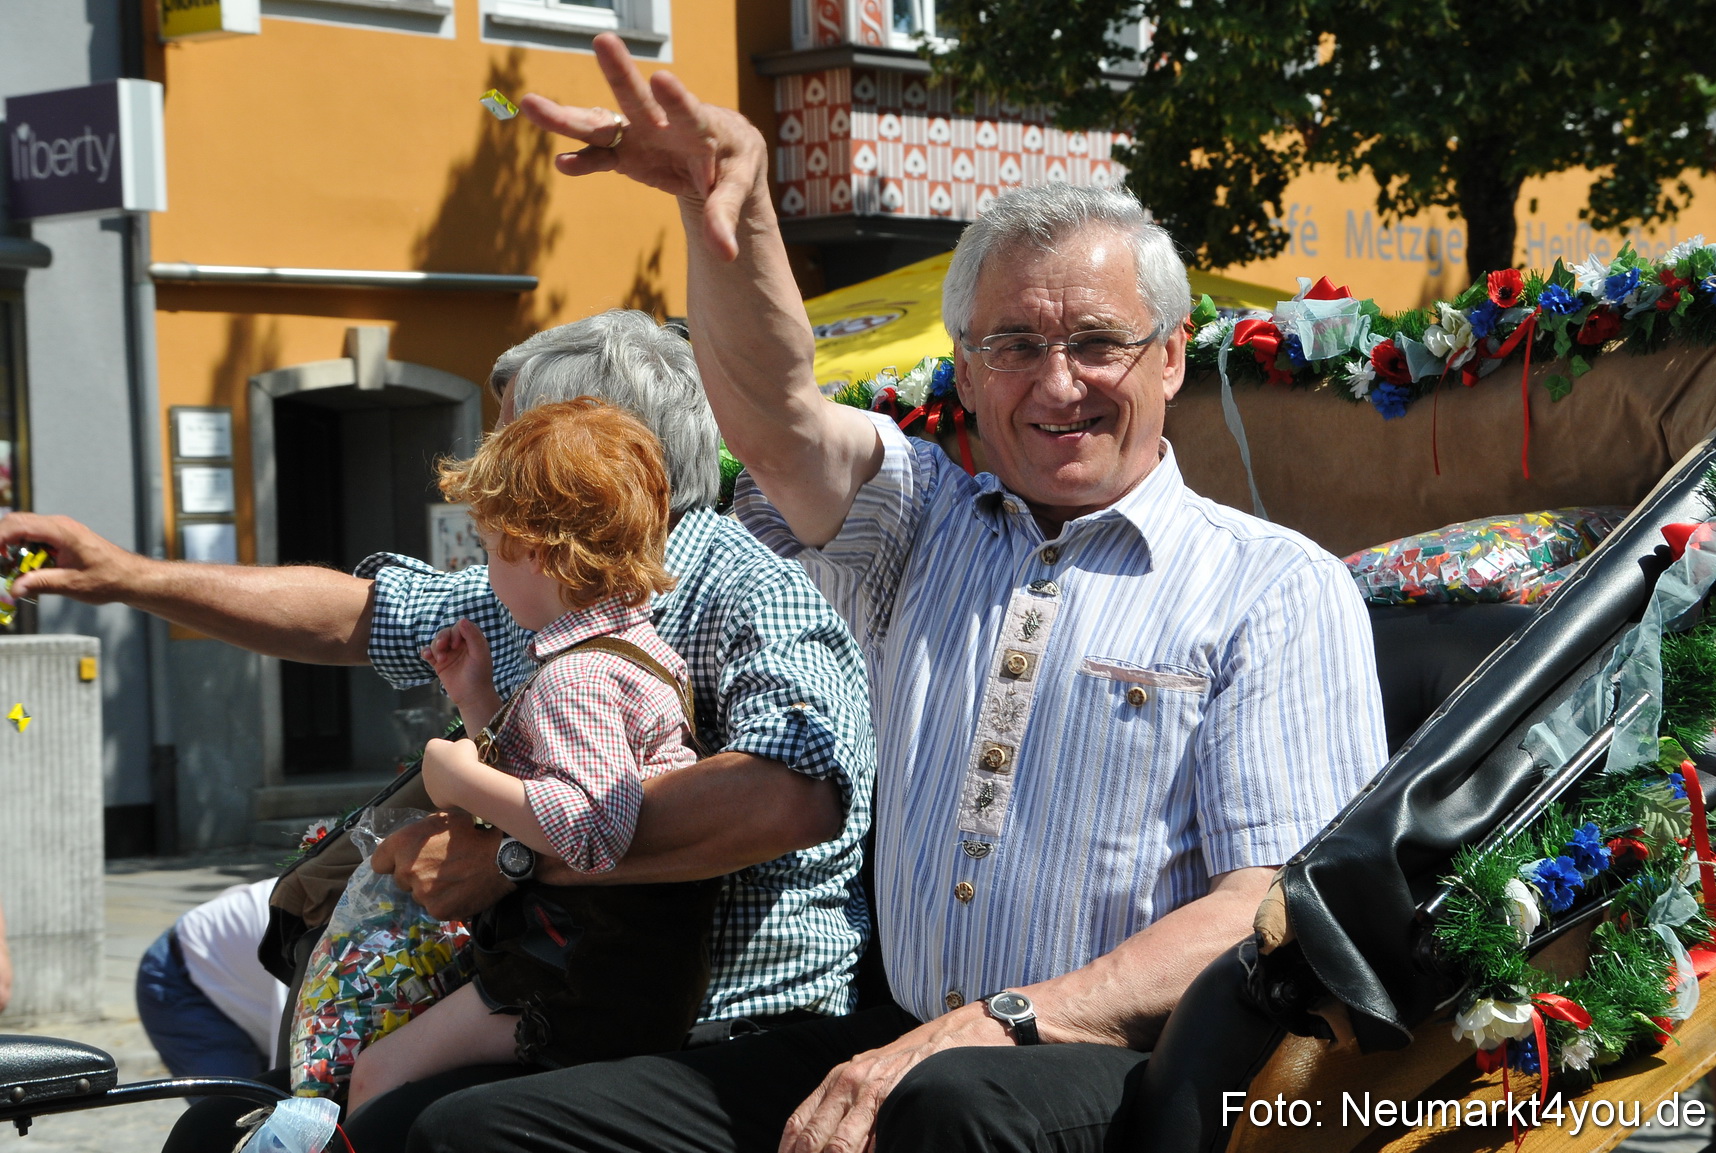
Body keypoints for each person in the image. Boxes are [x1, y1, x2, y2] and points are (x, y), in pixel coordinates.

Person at [402, 34, 1388, 1153]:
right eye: (1012, 344)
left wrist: (1008, 1020)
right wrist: (727, 206)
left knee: (946, 1106)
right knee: (474, 1133)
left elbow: (1261, 911)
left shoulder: (1271, 584)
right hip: (902, 1030)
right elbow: (775, 422)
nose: (1057, 381)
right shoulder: (925, 521)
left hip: (1128, 1063)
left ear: (1168, 358)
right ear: (964, 370)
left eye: (1097, 342)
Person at [0, 310, 875, 1151]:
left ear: (585, 460)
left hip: (721, 1019)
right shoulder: (541, 585)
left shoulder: (749, 590)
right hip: (557, 983)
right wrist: (128, 576)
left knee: (418, 1129)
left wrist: (509, 855)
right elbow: (368, 612)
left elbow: (791, 796)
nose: (489, 466)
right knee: (217, 1125)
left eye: (511, 440)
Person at [349, 398, 710, 1112]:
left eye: (487, 546)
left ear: (535, 549)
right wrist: (478, 699)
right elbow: (562, 779)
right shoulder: (634, 653)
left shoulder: (575, 677)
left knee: (376, 1076)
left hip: (581, 978)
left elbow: (588, 832)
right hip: (629, 972)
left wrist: (455, 774)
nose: (485, 569)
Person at [136, 878, 287, 1079]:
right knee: (236, 1106)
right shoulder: (318, 932)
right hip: (182, 979)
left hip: (239, 978)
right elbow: (293, 1058)